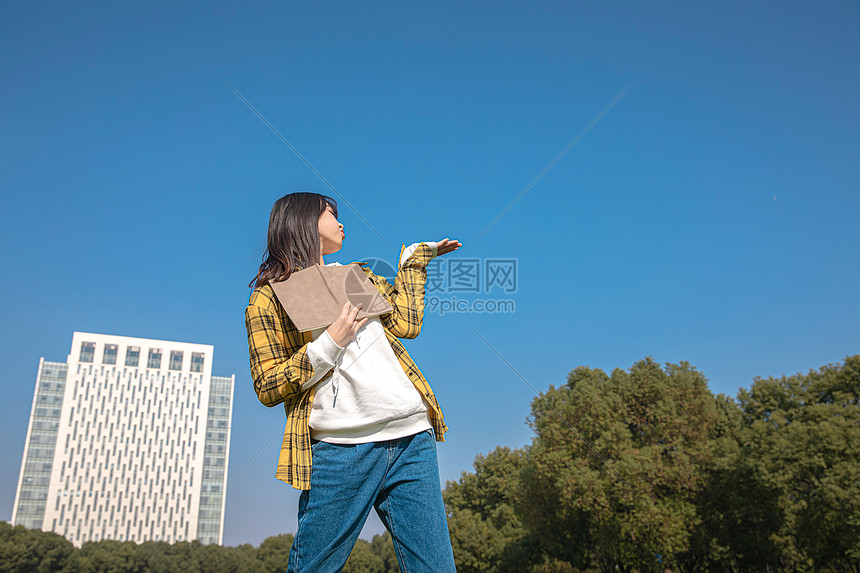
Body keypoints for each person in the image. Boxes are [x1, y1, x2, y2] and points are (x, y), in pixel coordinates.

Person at [244, 192, 462, 572]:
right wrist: (331, 342)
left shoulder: (353, 275)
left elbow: (407, 324)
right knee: (315, 566)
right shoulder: (269, 298)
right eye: (332, 214)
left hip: (411, 437)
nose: (341, 222)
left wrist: (414, 261)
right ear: (304, 221)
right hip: (342, 447)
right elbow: (266, 383)